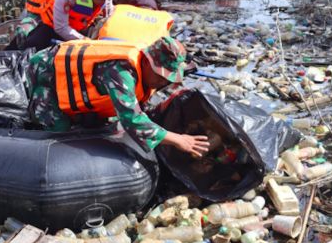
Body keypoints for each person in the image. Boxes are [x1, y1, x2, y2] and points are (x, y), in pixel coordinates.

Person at [26, 36, 210, 156]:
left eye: (167, 78)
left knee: (93, 122)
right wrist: (178, 139)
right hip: (47, 73)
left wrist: (165, 106)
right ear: (146, 62)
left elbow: (141, 106)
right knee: (60, 133)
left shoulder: (148, 74)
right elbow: (131, 118)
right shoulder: (120, 71)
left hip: (75, 83)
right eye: (161, 76)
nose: (163, 82)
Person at [20, 0, 116, 51]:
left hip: (80, 28)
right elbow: (61, 27)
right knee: (32, 46)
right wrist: (83, 40)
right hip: (53, 28)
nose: (102, 2)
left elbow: (108, 15)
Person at [95, 0, 174, 47]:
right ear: (154, 10)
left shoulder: (117, 11)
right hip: (141, 62)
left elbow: (95, 37)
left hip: (106, 54)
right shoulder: (161, 19)